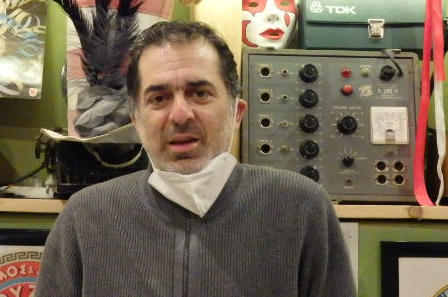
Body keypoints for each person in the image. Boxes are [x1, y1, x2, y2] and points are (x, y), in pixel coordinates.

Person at [35, 20, 356, 296]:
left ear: (237, 112)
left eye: (199, 93)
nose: (180, 114)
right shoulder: (85, 218)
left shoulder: (301, 207)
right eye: (159, 98)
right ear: (137, 121)